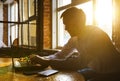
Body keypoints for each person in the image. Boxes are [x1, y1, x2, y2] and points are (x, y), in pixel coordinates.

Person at [30, 7, 120, 80]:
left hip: (114, 72)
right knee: (70, 76)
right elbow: (61, 54)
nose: (65, 29)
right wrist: (43, 58)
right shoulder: (75, 38)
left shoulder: (96, 35)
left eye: (67, 25)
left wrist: (48, 62)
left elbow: (79, 63)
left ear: (77, 23)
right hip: (96, 70)